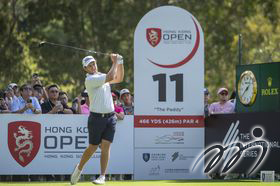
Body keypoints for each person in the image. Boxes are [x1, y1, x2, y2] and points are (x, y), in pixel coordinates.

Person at [71, 53, 124, 185]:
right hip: (96, 118)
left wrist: (120, 61)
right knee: (93, 147)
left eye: (93, 63)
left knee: (106, 147)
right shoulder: (89, 80)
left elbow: (119, 78)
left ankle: (102, 176)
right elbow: (111, 76)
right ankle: (79, 169)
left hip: (110, 117)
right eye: (89, 65)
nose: (93, 66)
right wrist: (115, 62)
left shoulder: (101, 76)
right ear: (85, 69)